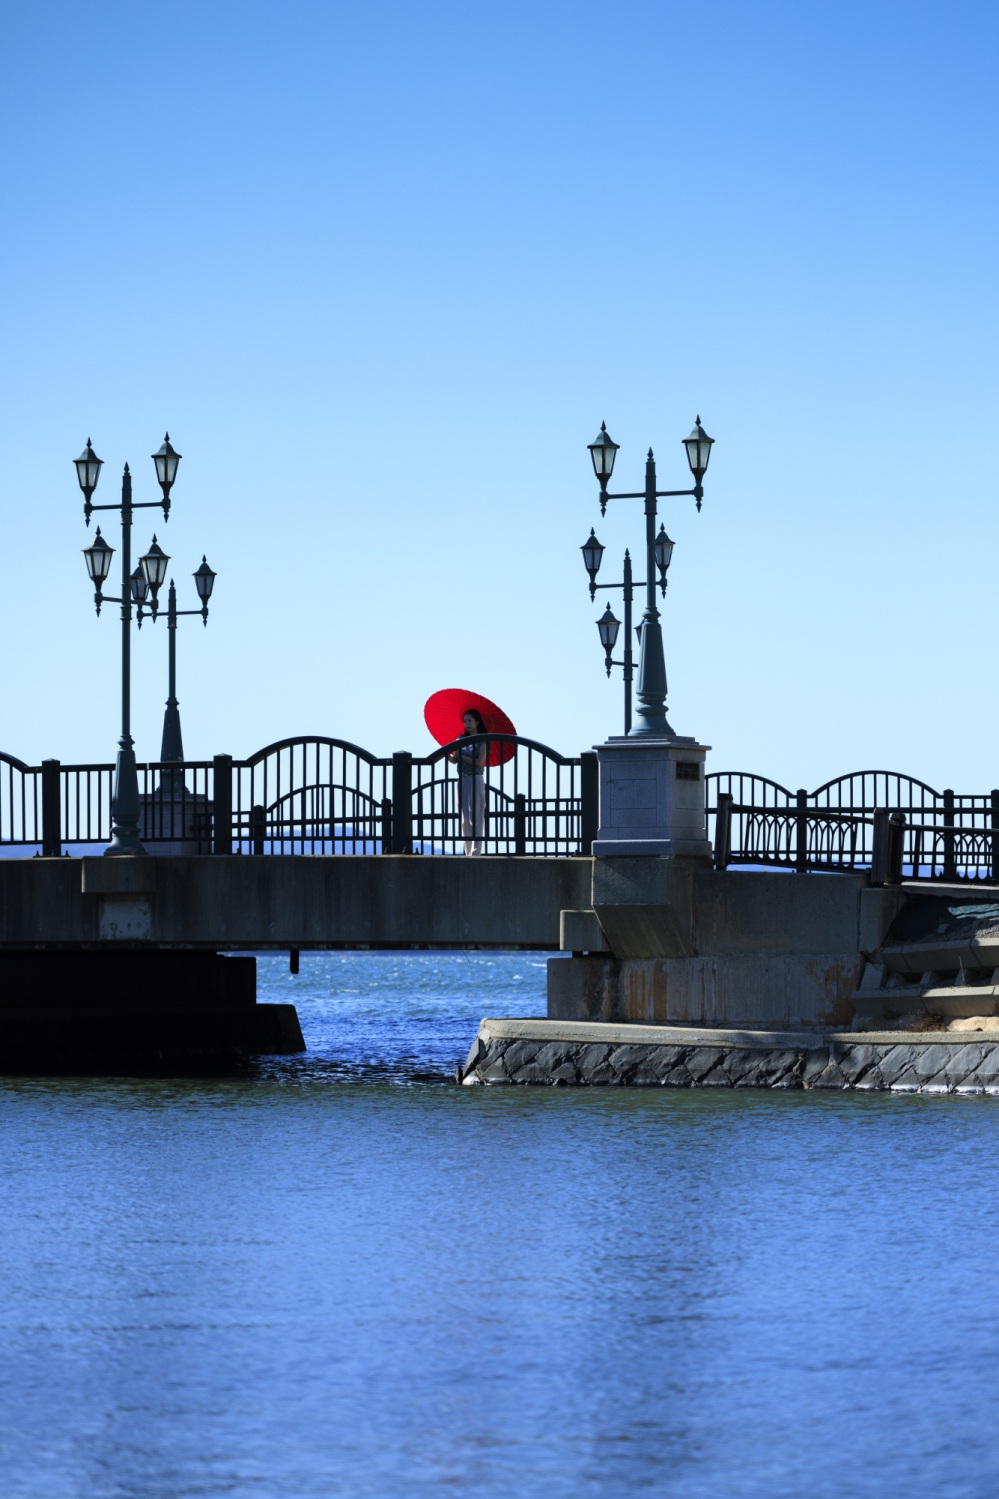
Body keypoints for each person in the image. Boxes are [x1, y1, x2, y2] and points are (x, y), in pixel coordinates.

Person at [452, 708, 488, 855]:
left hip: (475, 778)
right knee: (464, 818)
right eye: (465, 721)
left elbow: (479, 762)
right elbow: (454, 759)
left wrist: (461, 756)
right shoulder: (460, 739)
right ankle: (467, 852)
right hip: (462, 778)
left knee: (476, 817)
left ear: (477, 722)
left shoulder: (482, 740)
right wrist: (446, 753)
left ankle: (475, 852)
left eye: (470, 720)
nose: (467, 723)